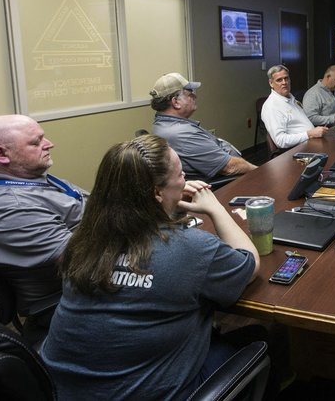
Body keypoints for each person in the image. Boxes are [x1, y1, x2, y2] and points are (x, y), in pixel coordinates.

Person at [41, 135, 263, 399]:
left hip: (61, 390)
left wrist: (169, 200)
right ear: (156, 192)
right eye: (181, 175)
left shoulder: (80, 243)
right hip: (146, 394)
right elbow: (249, 264)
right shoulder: (192, 247)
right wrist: (214, 208)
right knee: (260, 337)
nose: (184, 180)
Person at [0, 114, 86, 334]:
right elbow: (86, 259)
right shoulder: (9, 208)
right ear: (0, 154)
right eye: (36, 142)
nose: (49, 144)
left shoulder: (32, 178)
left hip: (100, 257)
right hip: (73, 297)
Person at [150, 72, 256, 181]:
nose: (195, 96)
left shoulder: (161, 123)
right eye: (189, 93)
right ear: (176, 102)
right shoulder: (183, 134)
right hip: (222, 186)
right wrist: (258, 170)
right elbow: (230, 167)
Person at [262, 65, 328, 149]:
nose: (284, 82)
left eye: (286, 78)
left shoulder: (291, 99)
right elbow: (280, 141)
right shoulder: (271, 106)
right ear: (271, 83)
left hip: (310, 143)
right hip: (296, 151)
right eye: (279, 80)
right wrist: (309, 134)